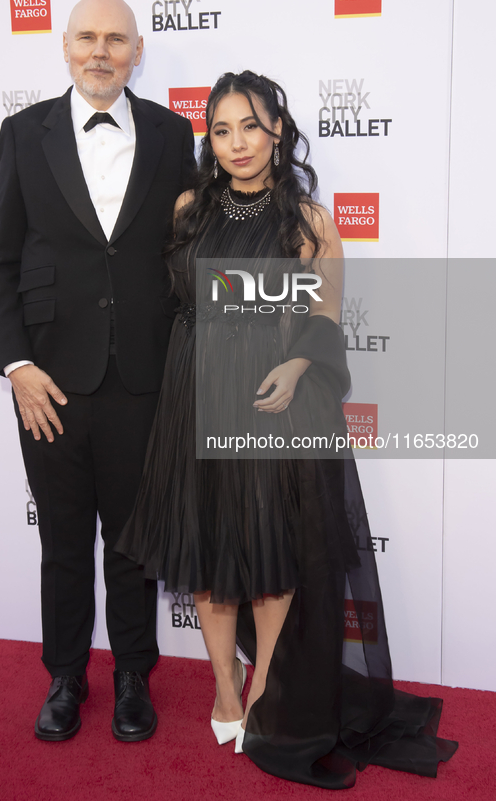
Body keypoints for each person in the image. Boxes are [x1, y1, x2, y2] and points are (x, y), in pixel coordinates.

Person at [116, 71, 457, 788]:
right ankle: (223, 690)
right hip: (193, 397)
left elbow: (325, 320)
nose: (236, 143)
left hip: (272, 402)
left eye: (250, 126)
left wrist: (300, 362)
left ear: (278, 131)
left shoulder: (309, 222)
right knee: (208, 562)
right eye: (221, 129)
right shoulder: (185, 210)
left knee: (270, 556)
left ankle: (266, 685)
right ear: (208, 139)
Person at [0, 0, 195, 743]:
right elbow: (1, 260)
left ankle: (134, 674)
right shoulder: (22, 133)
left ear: (137, 51)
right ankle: (66, 676)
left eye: (115, 39)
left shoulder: (175, 135)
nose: (100, 51)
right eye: (86, 38)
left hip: (144, 375)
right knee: (64, 538)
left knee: (134, 543)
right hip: (49, 382)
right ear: (64, 46)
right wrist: (15, 364)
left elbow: (186, 252)